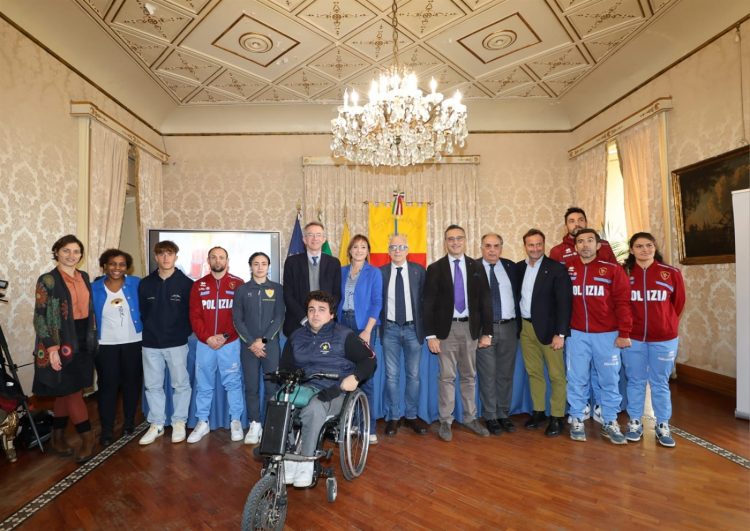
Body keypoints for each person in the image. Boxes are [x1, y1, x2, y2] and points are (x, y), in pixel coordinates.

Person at [279, 291, 375, 488]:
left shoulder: (344, 335)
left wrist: (355, 377)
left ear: (331, 314)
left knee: (314, 408)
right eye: (311, 309)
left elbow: (369, 359)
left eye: (321, 310)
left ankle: (306, 462)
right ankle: (288, 456)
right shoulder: (296, 337)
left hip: (334, 390)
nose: (315, 314)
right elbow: (285, 367)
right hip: (305, 387)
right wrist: (289, 379)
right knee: (280, 402)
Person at [423, 225, 493, 441]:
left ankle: (470, 417)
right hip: (446, 331)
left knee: (469, 376)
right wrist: (431, 335)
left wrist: (487, 332)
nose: (455, 242)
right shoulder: (435, 268)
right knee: (446, 377)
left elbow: (486, 300)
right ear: (445, 242)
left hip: (470, 329)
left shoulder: (476, 267)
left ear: (465, 240)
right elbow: (428, 304)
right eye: (451, 239)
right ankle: (446, 420)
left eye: (459, 238)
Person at [32, 235, 97, 463]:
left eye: (76, 251)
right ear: (57, 252)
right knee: (72, 391)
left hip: (84, 338)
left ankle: (57, 437)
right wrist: (52, 348)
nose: (71, 255)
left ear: (81, 255)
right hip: (61, 340)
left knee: (65, 389)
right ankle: (87, 437)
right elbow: (39, 317)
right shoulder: (48, 280)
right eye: (66, 250)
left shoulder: (84, 277)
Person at [549, 206, 617, 424]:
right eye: (571, 220)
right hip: (575, 324)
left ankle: (600, 404)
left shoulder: (603, 246)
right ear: (566, 225)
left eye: (580, 219)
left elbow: (615, 283)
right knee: (577, 370)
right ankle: (581, 406)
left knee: (600, 369)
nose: (576, 223)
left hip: (603, 326)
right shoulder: (557, 251)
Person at [566, 229, 632, 444]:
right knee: (576, 378)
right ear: (575, 246)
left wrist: (624, 332)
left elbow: (623, 303)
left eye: (589, 241)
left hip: (607, 335)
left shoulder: (612, 270)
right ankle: (577, 417)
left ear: (597, 245)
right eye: (580, 241)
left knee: (609, 379)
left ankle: (610, 420)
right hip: (576, 334)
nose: (585, 245)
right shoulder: (567, 269)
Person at [622, 232, 685, 447]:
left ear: (655, 247)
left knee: (660, 382)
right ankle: (634, 422)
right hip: (633, 338)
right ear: (632, 250)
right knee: (636, 380)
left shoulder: (671, 273)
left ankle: (662, 424)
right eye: (639, 246)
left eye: (649, 245)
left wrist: (664, 324)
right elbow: (620, 305)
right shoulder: (624, 274)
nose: (644, 250)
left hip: (664, 338)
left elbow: (678, 304)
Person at [515, 229, 572, 437]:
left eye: (539, 244)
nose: (535, 248)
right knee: (534, 373)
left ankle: (557, 416)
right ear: (525, 246)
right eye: (531, 245)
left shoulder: (556, 269)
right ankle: (538, 412)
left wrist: (561, 333)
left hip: (550, 331)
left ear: (544, 244)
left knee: (556, 375)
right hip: (526, 329)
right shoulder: (519, 268)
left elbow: (565, 304)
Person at [187, 247, 245, 444]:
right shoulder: (198, 285)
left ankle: (235, 420)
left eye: (221, 257)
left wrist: (225, 336)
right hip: (205, 344)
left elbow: (240, 315)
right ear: (208, 260)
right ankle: (202, 421)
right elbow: (195, 316)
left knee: (233, 383)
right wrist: (207, 338)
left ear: (227, 261)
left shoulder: (238, 284)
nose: (217, 260)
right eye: (213, 257)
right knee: (204, 384)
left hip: (230, 343)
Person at [138, 240, 193, 446]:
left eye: (170, 254)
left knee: (180, 384)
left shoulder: (186, 283)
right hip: (151, 343)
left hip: (177, 343)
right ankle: (157, 424)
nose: (166, 258)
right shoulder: (146, 283)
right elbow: (143, 312)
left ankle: (179, 422)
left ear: (176, 257)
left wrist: (180, 333)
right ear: (156, 257)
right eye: (161, 254)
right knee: (153, 386)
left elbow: (190, 315)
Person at [91, 248, 142, 447]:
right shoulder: (93, 288)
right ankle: (106, 429)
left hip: (133, 342)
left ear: (127, 267)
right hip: (105, 345)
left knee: (131, 384)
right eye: (112, 263)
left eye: (121, 264)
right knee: (107, 387)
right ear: (105, 265)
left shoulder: (136, 284)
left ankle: (129, 423)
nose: (117, 268)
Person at [233, 251, 285, 445]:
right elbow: (237, 320)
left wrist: (263, 340)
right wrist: (251, 343)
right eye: (256, 263)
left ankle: (270, 425)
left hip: (270, 345)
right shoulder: (242, 290)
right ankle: (254, 424)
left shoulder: (277, 289)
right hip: (248, 347)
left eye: (264, 263)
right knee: (251, 386)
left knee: (271, 386)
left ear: (268, 266)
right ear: (250, 266)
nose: (260, 267)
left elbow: (279, 317)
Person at [379, 234, 429, 437]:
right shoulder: (381, 272)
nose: (397, 250)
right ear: (388, 251)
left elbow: (426, 301)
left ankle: (411, 415)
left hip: (412, 329)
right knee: (391, 376)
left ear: (408, 250)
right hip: (390, 329)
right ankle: (394, 416)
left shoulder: (419, 271)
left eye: (401, 247)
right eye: (393, 247)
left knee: (413, 375)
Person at [337, 235, 382, 443]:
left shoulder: (374, 272)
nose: (359, 250)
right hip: (342, 325)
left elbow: (377, 302)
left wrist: (368, 330)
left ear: (368, 251)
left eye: (363, 247)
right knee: (346, 373)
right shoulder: (341, 271)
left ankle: (368, 427)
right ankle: (351, 423)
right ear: (350, 250)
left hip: (363, 325)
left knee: (366, 376)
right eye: (355, 247)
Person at [476, 233, 521, 435]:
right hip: (484, 330)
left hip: (509, 327)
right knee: (487, 375)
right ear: (481, 248)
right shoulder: (473, 268)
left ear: (502, 248)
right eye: (488, 246)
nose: (492, 250)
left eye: (496, 246)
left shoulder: (511, 267)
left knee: (505, 374)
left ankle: (503, 413)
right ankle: (490, 416)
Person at [283, 221, 341, 338]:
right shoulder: (291, 262)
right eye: (310, 235)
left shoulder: (334, 263)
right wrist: (305, 318)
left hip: (325, 323)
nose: (315, 238)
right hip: (298, 323)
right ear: (304, 239)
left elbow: (336, 294)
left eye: (318, 235)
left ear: (324, 239)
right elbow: (288, 295)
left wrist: (324, 315)